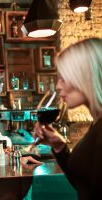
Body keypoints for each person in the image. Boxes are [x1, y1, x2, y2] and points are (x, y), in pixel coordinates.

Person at [33, 37, 102, 199]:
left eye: (63, 78)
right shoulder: (97, 123)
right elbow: (84, 185)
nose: (58, 86)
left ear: (85, 76)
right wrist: (59, 147)